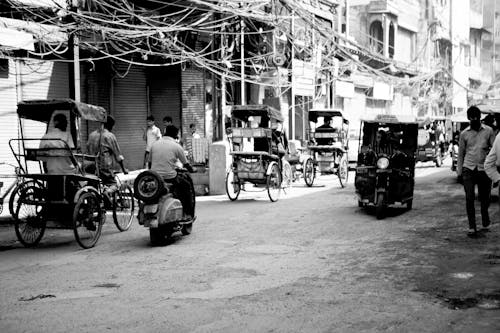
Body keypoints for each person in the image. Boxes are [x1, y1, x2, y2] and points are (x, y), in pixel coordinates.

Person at [457, 106, 495, 237]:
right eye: (471, 118)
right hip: (469, 169)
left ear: (480, 118)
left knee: (485, 198)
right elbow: (461, 154)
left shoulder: (489, 131)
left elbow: (495, 150)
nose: (474, 120)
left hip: (484, 169)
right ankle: (472, 226)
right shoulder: (464, 134)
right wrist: (459, 172)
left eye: (476, 118)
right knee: (469, 198)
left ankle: (485, 221)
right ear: (468, 118)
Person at [150, 125, 195, 219]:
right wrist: (193, 170)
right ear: (175, 135)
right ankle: (188, 214)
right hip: (169, 177)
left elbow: (150, 162)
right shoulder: (176, 146)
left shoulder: (154, 144)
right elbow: (186, 164)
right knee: (186, 186)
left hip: (154, 177)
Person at [87, 115, 128, 184]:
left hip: (91, 168)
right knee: (113, 184)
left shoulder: (91, 135)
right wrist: (124, 169)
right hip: (104, 169)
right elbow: (118, 155)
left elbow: (88, 150)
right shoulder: (109, 136)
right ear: (110, 125)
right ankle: (108, 192)